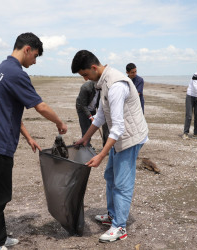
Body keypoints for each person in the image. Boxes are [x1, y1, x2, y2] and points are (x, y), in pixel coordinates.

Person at [0, 32, 67, 250]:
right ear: (27, 49)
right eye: (35, 56)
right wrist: (59, 123)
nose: (34, 62)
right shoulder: (16, 74)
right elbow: (40, 106)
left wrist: (28, 137)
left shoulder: (0, 69)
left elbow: (7, 110)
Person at [71, 50, 149, 243]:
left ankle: (120, 227)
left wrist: (101, 155)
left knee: (122, 183)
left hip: (129, 138)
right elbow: (100, 115)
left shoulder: (115, 85)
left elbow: (118, 127)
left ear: (94, 67)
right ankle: (113, 215)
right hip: (119, 138)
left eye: (85, 75)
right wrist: (85, 138)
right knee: (110, 176)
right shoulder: (103, 81)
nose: (85, 79)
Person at [76, 80, 109, 147]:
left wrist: (100, 114)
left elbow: (99, 103)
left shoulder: (101, 88)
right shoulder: (85, 87)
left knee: (95, 128)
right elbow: (83, 105)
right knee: (86, 130)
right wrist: (91, 117)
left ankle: (105, 145)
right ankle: (86, 148)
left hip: (92, 109)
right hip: (82, 110)